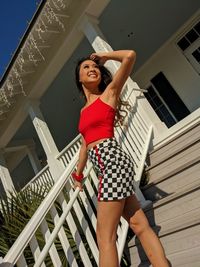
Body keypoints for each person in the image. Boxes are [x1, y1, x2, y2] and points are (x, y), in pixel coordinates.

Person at [72, 50, 169, 267]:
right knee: (138, 224)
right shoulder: (83, 112)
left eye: (95, 66)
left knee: (104, 236)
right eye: (86, 67)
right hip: (106, 165)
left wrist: (105, 56)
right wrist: (77, 174)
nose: (92, 69)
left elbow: (130, 56)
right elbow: (86, 144)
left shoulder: (109, 93)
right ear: (79, 78)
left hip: (112, 161)